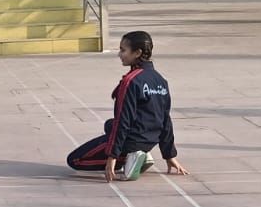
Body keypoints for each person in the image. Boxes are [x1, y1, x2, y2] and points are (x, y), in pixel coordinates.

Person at [67, 30, 187, 182]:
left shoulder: (131, 81)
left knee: (74, 160)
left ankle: (130, 158)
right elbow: (165, 120)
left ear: (137, 53)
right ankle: (140, 153)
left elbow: (123, 120)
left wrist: (112, 157)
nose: (119, 54)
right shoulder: (160, 80)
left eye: (123, 50)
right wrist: (169, 155)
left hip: (133, 139)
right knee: (109, 125)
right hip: (150, 139)